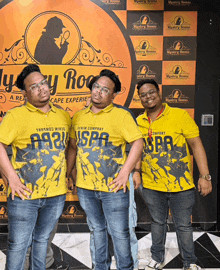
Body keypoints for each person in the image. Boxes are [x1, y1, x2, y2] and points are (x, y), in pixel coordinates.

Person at [67, 69, 143, 270]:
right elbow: (73, 147)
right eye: (96, 87)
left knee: (120, 233)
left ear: (113, 95)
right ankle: (100, 267)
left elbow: (138, 143)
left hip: (114, 189)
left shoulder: (121, 115)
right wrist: (68, 173)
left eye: (105, 90)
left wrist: (126, 172)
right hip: (85, 189)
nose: (98, 92)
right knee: (97, 231)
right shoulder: (79, 117)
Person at [133, 79, 212, 270]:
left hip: (181, 185)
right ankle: (157, 258)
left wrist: (205, 176)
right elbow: (137, 150)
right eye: (143, 95)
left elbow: (196, 144)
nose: (148, 97)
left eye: (151, 92)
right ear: (140, 99)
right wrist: (136, 171)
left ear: (159, 93)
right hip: (152, 185)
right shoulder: (139, 121)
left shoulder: (179, 115)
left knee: (183, 226)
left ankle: (189, 262)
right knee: (157, 223)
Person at [0, 64, 71, 270]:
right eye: (34, 87)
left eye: (43, 83)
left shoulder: (63, 116)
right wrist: (11, 177)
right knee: (18, 246)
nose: (42, 89)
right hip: (24, 196)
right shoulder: (15, 116)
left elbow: (70, 147)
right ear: (24, 93)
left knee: (42, 243)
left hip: (55, 195)